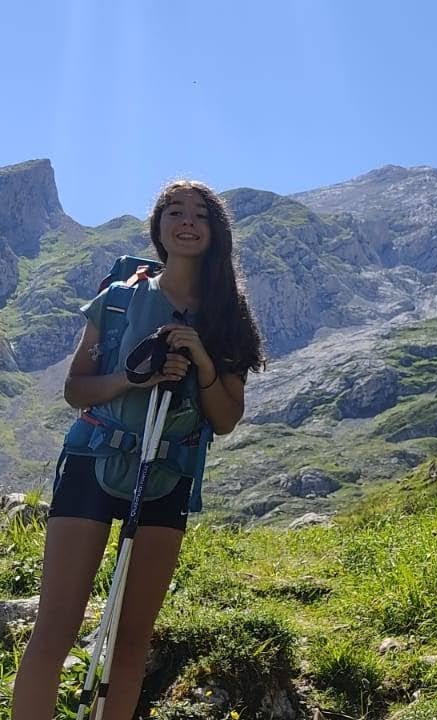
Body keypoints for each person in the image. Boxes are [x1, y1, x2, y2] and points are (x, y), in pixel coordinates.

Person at [12, 180, 266, 720]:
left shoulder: (229, 316)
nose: (187, 220)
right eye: (174, 211)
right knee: (55, 627)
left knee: (131, 643)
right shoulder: (123, 297)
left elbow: (225, 418)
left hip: (166, 476)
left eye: (200, 213)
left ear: (216, 231)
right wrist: (133, 379)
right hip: (92, 461)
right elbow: (76, 389)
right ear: (159, 228)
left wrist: (201, 362)